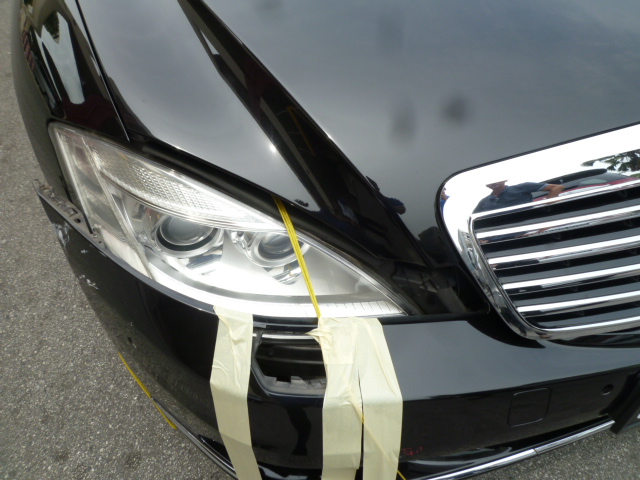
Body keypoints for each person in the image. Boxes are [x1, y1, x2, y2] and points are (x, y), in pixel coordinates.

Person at [473, 180, 564, 213]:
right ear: (486, 185)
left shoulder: (522, 187)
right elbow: (474, 220)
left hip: (527, 229)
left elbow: (557, 187)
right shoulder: (484, 202)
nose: (494, 182)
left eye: (497, 179)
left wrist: (548, 204)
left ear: (505, 179)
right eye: (490, 181)